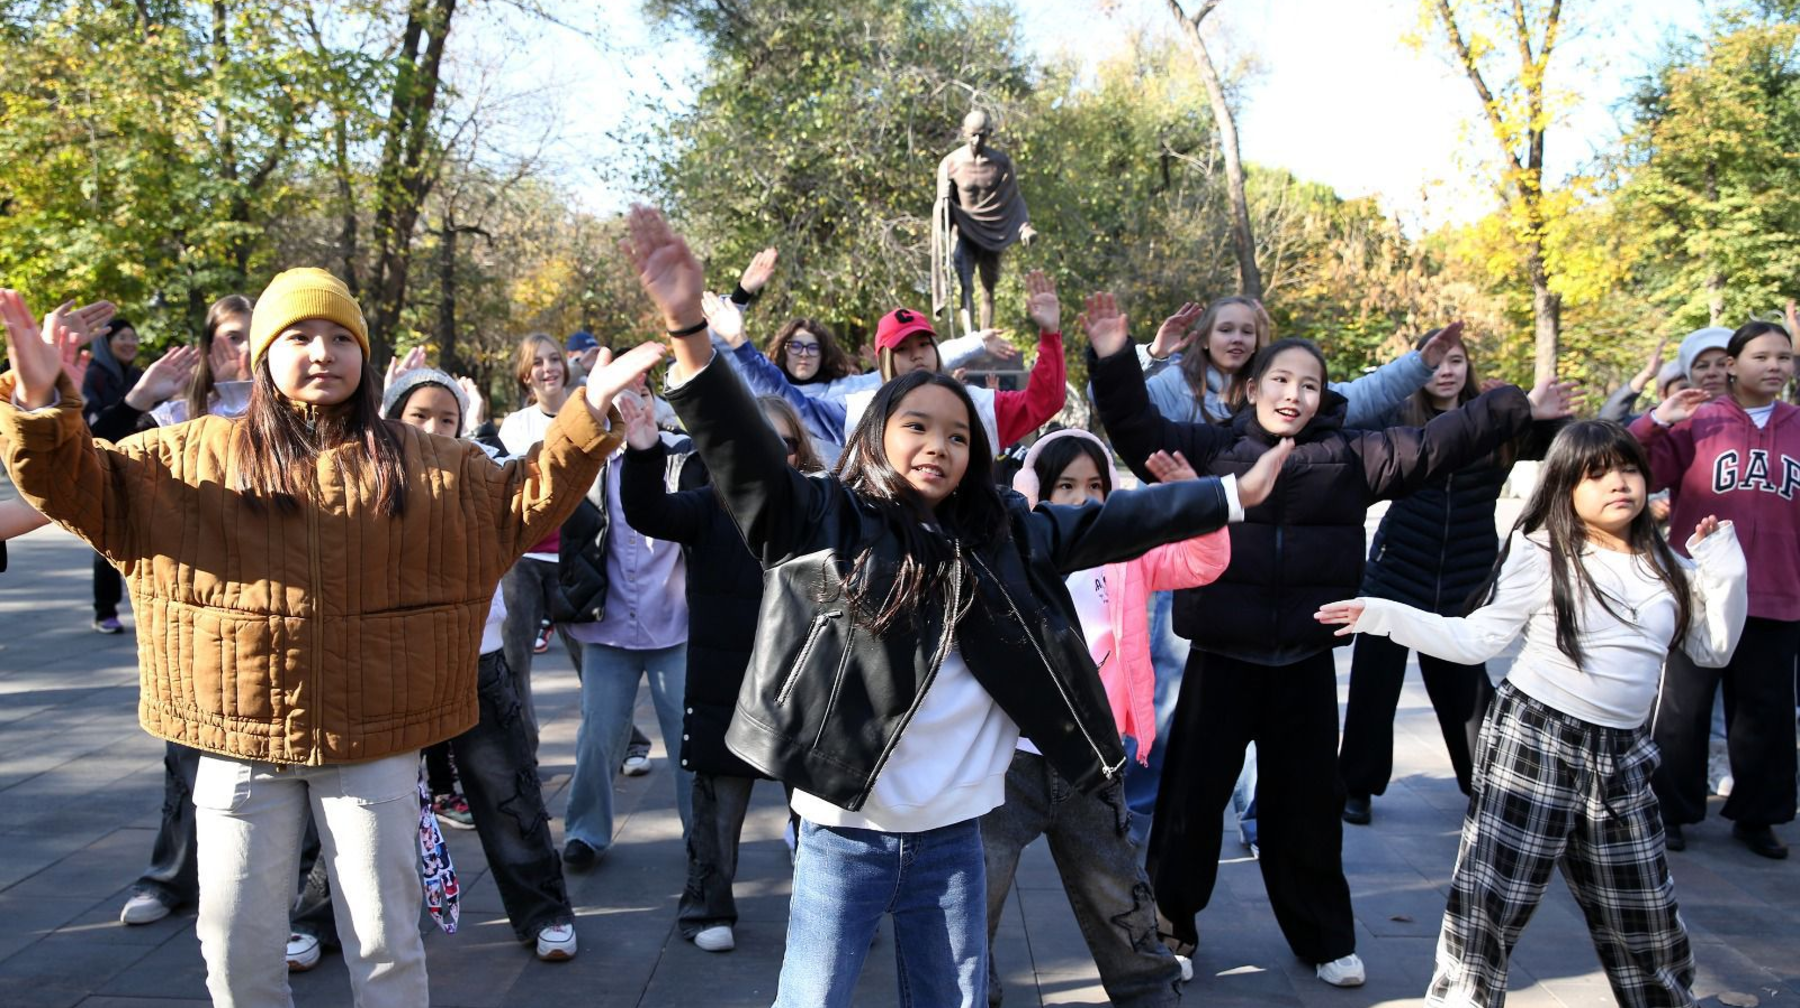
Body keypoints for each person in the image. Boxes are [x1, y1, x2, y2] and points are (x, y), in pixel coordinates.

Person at [619, 204, 1287, 1007]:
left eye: (959, 435)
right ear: (876, 437)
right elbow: (745, 453)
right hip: (845, 837)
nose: (939, 444)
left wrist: (1226, 495)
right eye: (917, 427)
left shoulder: (1008, 532)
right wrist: (690, 326)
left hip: (953, 843)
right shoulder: (826, 519)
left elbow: (1116, 520)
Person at [0, 272, 645, 1005]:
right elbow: (74, 487)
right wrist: (40, 406)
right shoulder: (185, 458)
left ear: (365, 358)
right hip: (238, 747)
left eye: (342, 338)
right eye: (299, 336)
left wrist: (587, 413)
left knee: (386, 945)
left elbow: (521, 505)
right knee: (236, 948)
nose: (322, 352)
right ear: (264, 354)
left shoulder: (432, 464)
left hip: (375, 748)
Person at [1087, 296, 1575, 987]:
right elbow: (1134, 426)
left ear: (1324, 398)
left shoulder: (1353, 457)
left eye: (1309, 384)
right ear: (1254, 387)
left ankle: (1325, 939)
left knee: (1308, 813)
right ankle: (1172, 933)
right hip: (1220, 661)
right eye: (1280, 380)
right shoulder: (1210, 448)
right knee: (1188, 811)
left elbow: (1438, 444)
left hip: (1305, 665)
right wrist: (1112, 356)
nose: (1294, 394)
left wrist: (1513, 405)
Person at [1316, 420, 1747, 1008]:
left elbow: (1714, 648)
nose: (1617, 483)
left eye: (1626, 469)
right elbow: (1475, 641)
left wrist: (1723, 564)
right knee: (1488, 910)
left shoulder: (1670, 566)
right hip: (1534, 742)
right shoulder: (1541, 551)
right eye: (1595, 474)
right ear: (1564, 487)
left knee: (1646, 916)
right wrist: (1382, 613)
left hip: (1621, 757)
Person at [1118, 300, 1456, 849]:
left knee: (1272, 731)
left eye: (1248, 330)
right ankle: (1143, 813)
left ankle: (1256, 820)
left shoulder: (1292, 391)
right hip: (1194, 571)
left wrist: (1418, 364)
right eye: (1225, 327)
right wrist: (1149, 354)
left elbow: (1363, 392)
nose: (1236, 337)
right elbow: (1123, 411)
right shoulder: (1177, 385)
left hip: (1288, 624)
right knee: (1171, 698)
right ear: (1205, 338)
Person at [982, 428, 1233, 1007]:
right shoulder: (1012, 548)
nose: (1083, 498)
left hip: (1091, 763)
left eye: (1095, 486)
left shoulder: (1127, 552)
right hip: (1007, 764)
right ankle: (967, 994)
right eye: (1065, 485)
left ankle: (1149, 993)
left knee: (1120, 901)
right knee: (973, 899)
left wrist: (1198, 502)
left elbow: (1202, 563)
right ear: (1032, 489)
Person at [382, 366, 580, 961]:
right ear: (391, 417)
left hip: (476, 658)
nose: (435, 429)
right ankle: (318, 917)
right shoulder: (360, 477)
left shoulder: (480, 471)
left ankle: (544, 912)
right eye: (419, 416)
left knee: (506, 791)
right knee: (361, 800)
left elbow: (543, 483)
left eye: (448, 418)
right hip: (387, 666)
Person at [618, 392, 821, 954]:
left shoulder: (818, 510)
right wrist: (643, 451)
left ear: (796, 455)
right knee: (716, 811)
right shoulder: (708, 506)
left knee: (817, 815)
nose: (764, 455)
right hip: (725, 694)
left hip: (802, 694)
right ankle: (707, 905)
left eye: (778, 445)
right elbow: (649, 512)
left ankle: (831, 909)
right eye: (751, 441)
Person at [1338, 332, 1564, 824]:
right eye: (1437, 361)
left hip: (1466, 575)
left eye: (1457, 361)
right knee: (1375, 686)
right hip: (1398, 567)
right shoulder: (1399, 419)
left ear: (1468, 367)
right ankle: (1356, 785)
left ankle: (1484, 783)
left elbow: (1564, 448)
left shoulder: (1498, 419)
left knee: (1466, 690)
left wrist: (1548, 413)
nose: (1447, 370)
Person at [1631, 320, 1799, 858]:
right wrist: (1657, 419)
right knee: (1682, 710)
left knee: (1766, 713)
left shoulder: (1798, 425)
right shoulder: (1700, 421)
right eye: (1761, 356)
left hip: (1777, 591)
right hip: (1699, 592)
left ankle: (1758, 817)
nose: (1774, 366)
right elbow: (1632, 466)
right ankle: (1671, 811)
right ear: (1732, 365)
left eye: (1784, 357)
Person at [555, 368, 694, 871]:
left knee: (688, 739)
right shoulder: (584, 460)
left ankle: (703, 841)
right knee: (598, 734)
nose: (632, 403)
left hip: (674, 622)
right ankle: (586, 833)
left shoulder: (684, 456)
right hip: (607, 625)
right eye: (620, 393)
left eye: (642, 391)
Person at [716, 272, 1066, 462]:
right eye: (903, 348)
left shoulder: (981, 406)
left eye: (923, 344)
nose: (917, 355)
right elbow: (793, 405)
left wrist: (1050, 335)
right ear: (886, 360)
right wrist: (740, 347)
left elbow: (1044, 402)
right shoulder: (861, 412)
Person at [496, 332, 583, 748]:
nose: (547, 368)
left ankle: (629, 742)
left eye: (554, 359)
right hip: (526, 557)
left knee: (593, 660)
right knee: (516, 662)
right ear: (525, 375)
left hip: (576, 556)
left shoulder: (585, 412)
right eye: (538, 362)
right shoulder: (516, 425)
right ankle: (525, 750)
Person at [80, 315, 143, 634]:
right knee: (105, 541)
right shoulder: (93, 375)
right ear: (106, 343)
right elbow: (90, 423)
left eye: (133, 337)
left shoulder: (137, 375)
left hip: (138, 465)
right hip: (102, 465)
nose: (130, 343)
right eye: (123, 337)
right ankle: (105, 610)